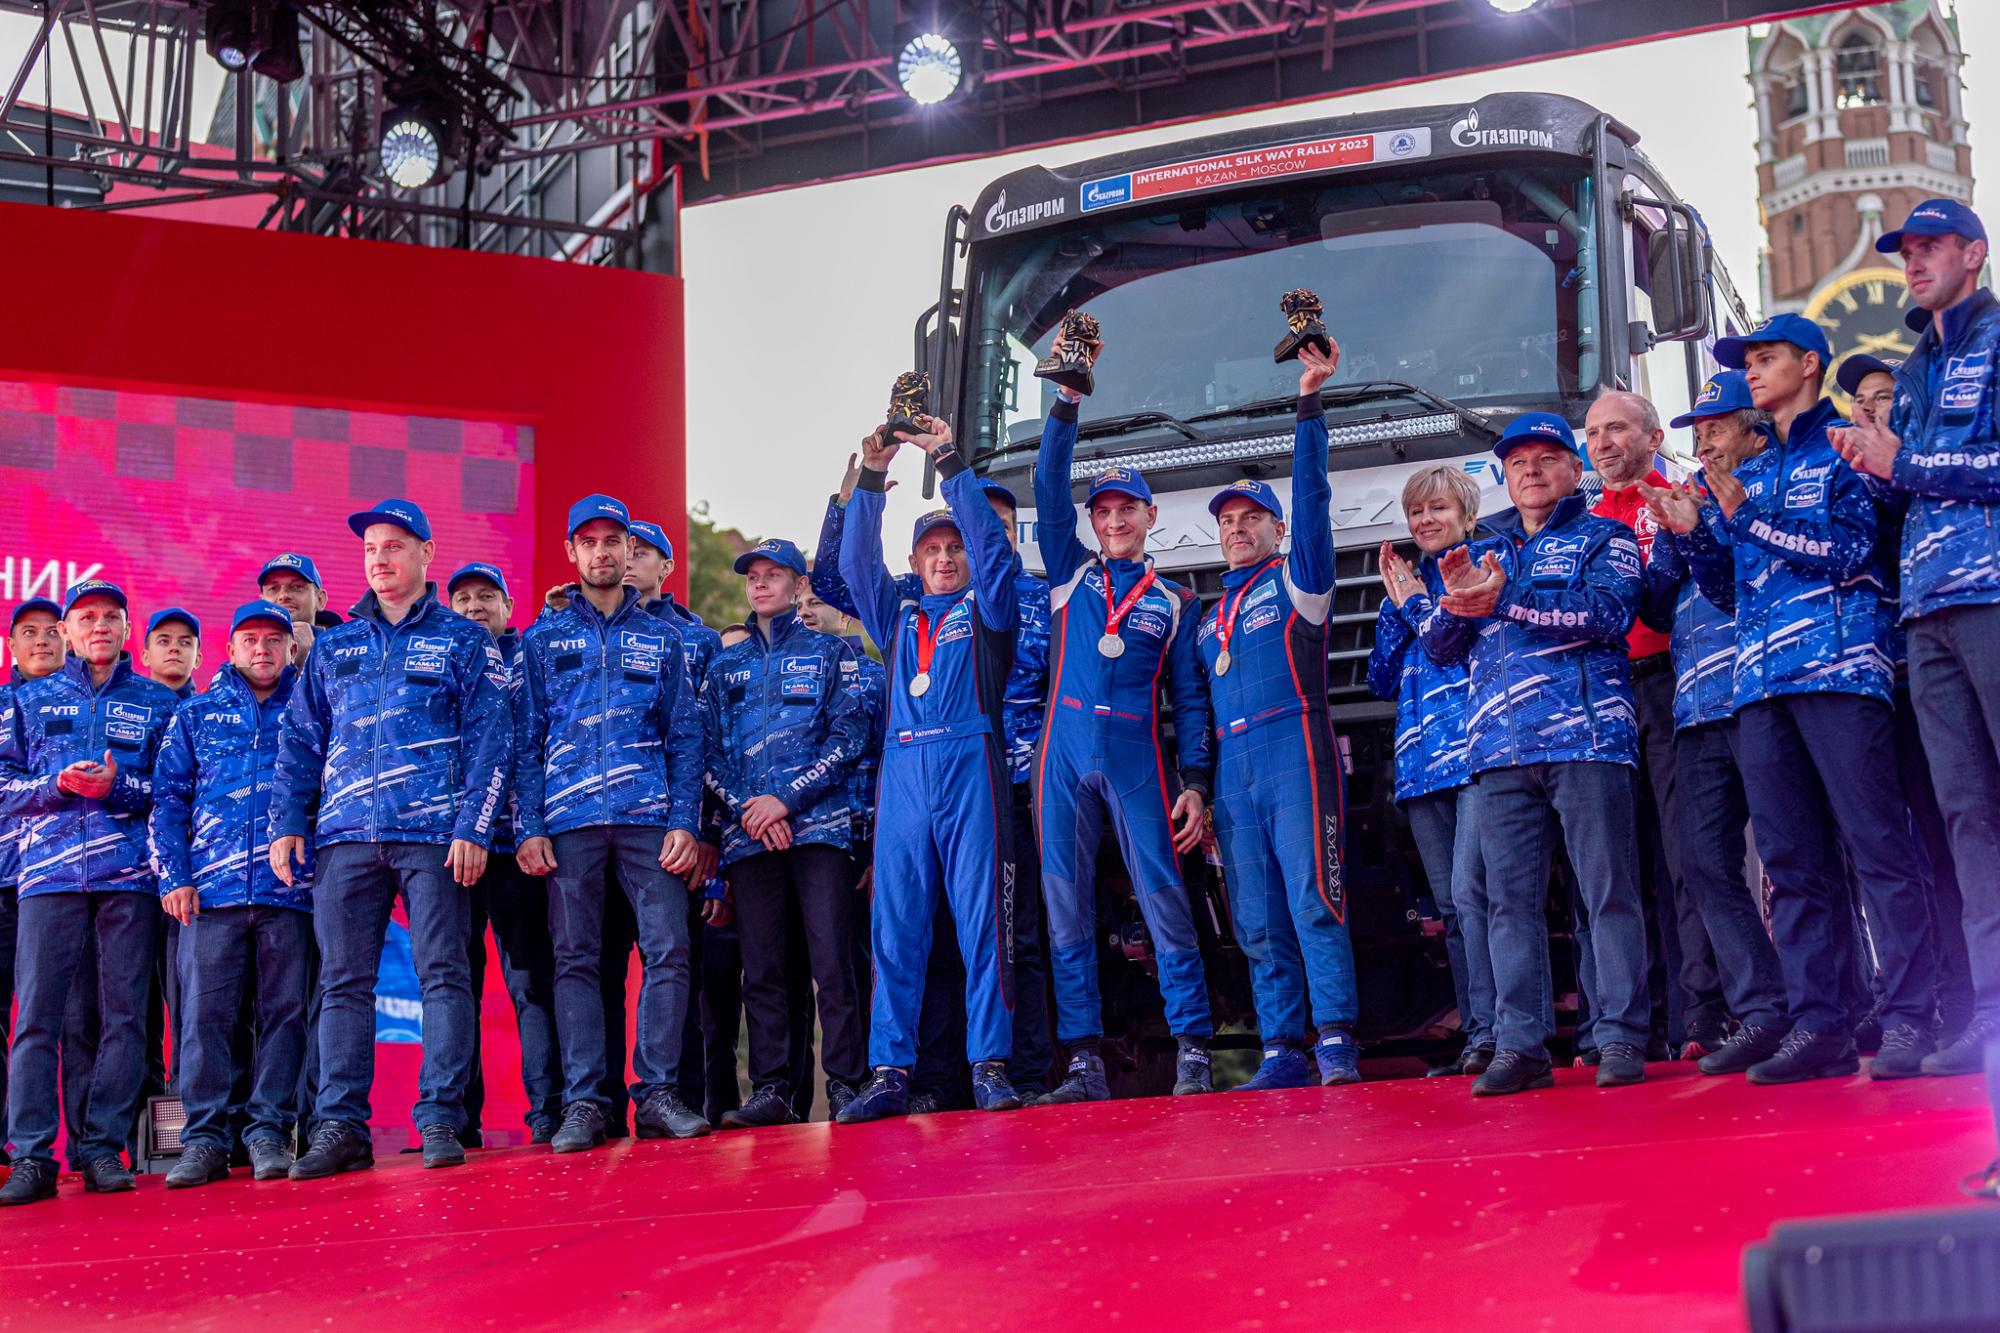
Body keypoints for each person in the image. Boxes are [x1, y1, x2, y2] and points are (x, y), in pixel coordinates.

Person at [1678, 314, 1936, 1083]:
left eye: (1767, 358)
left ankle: (1912, 1014)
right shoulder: (1750, 474)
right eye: (1749, 360)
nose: (1754, 370)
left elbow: (1851, 552)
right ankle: (1821, 1023)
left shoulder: (1846, 448)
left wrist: (1747, 519)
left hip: (1840, 673)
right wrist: (1696, 533)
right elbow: (1729, 591)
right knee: (1791, 861)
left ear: (1810, 365)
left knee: (1878, 847)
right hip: (1757, 687)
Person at [270, 498, 512, 1177]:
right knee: (343, 984)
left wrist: (474, 825)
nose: (379, 558)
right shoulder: (336, 644)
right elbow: (300, 740)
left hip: (433, 835)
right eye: (371, 548)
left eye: (394, 546)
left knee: (444, 975)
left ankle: (441, 1118)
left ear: (426, 554)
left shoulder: (465, 640)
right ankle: (339, 1126)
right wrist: (289, 822)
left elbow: (492, 740)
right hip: (345, 837)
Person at [815, 457, 1056, 1105]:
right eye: (932, 550)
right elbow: (855, 565)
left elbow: (995, 554)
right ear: (915, 562)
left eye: (955, 548)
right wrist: (870, 479)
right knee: (894, 929)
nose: (945, 558)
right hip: (904, 774)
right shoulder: (895, 618)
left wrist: (951, 467)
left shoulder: (991, 611)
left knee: (985, 927)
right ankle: (890, 1072)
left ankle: (990, 1066)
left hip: (971, 766)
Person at [1428, 414, 1650, 1096]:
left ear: (1573, 469)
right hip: (1498, 752)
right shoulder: (1482, 548)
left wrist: (1506, 599)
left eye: (1546, 458)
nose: (1530, 470)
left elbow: (1608, 615)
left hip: (1588, 740)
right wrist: (1455, 603)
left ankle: (1620, 1035)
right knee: (1506, 905)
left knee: (1607, 894)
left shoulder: (1605, 536)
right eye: (1517, 461)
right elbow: (1439, 650)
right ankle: (1521, 1045)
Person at [1831, 198, 2000, 1076]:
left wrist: (1909, 462)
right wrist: (1872, 467)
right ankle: (1991, 1016)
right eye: (1907, 251)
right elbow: (1911, 489)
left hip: (1993, 596)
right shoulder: (1917, 366)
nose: (1915, 261)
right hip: (1925, 614)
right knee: (1967, 819)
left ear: (1975, 253)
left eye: (1931, 246)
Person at [1033, 340, 1215, 1102]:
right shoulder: (1069, 574)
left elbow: (1191, 700)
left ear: (1150, 516)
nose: (1113, 521)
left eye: (1125, 510)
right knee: (1065, 903)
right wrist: (1067, 401)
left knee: (1165, 896)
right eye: (1102, 512)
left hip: (1139, 760)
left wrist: (1196, 782)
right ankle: (1083, 1060)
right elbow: (1047, 486)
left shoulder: (1175, 604)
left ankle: (1195, 1046)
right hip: (1062, 759)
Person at [514, 496, 709, 1151]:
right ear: (572, 552)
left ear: (630, 551)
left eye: (612, 541)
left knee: (669, 950)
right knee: (574, 960)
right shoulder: (542, 639)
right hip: (568, 822)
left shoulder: (663, 638)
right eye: (589, 542)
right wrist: (528, 825)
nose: (601, 552)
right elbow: (525, 741)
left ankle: (657, 1095)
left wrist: (685, 819)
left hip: (648, 820)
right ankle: (585, 1103)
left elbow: (686, 734)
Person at [1199, 343, 1360, 1089]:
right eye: (1228, 521)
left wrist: (1309, 406)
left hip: (1296, 750)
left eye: (1252, 518)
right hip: (1233, 771)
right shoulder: (1207, 618)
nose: (1238, 529)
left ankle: (1336, 1042)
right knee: (1256, 917)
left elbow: (1314, 498)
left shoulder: (1299, 582)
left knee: (1314, 899)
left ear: (1276, 529)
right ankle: (1281, 1049)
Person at [0, 580, 178, 1205]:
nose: (98, 625)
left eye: (109, 616)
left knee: (125, 1019)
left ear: (126, 629)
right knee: (37, 1021)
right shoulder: (26, 700)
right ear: (67, 633)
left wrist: (117, 787)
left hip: (129, 882)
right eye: (86, 617)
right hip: (47, 880)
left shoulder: (160, 703)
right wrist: (55, 786)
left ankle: (101, 1148)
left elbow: (175, 791)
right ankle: (31, 1155)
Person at [1637, 372, 1792, 1075]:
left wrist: (1700, 529)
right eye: (1697, 431)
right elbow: (1655, 604)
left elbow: (1745, 578)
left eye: (1717, 427)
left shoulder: (1773, 481)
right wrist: (1669, 534)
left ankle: (1837, 1003)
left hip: (1765, 694)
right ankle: (1761, 1009)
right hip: (1694, 705)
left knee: (1796, 855)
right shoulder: (1688, 495)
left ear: (1754, 431)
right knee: (1701, 861)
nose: (1703, 442)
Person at [703, 538, 870, 1126]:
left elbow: (850, 738)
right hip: (749, 839)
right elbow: (706, 753)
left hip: (820, 833)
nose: (760, 584)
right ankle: (771, 1089)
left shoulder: (831, 652)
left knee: (833, 965)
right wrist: (751, 809)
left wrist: (785, 802)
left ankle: (847, 1085)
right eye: (753, 576)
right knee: (764, 969)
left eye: (773, 575)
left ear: (800, 585)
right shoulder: (723, 666)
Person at [1836, 352, 1974, 1051]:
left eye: (1883, 395)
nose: (1868, 408)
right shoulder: (1850, 476)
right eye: (1859, 398)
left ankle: (1961, 995)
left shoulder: (1922, 475)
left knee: (1951, 838)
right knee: (1888, 849)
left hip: (1929, 672)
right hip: (1871, 682)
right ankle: (1911, 995)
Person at [150, 602, 313, 1187]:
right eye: (250, 639)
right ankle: (204, 1141)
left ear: (292, 649)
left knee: (285, 1017)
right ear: (230, 649)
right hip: (210, 895)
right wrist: (174, 876)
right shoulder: (195, 713)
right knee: (203, 1020)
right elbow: (167, 800)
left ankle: (269, 1133)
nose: (262, 649)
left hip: (291, 891)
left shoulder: (312, 709)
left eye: (273, 639)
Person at [1585, 392, 1726, 1059]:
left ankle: (1701, 1015)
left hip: (1673, 683)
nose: (1603, 442)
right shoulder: (1583, 518)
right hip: (1602, 696)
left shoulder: (1686, 495)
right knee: (1620, 864)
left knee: (1685, 854)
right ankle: (1634, 1025)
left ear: (1654, 436)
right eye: (1594, 432)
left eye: (1616, 428)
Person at [1368, 468, 1501, 1079]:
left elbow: (1452, 644)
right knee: (1449, 907)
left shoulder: (1482, 571)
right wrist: (1398, 610)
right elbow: (1381, 679)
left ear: (1467, 517)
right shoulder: (1404, 590)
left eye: (1438, 509)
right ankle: (1477, 1035)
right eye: (1417, 512)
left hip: (1475, 759)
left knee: (1479, 896)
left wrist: (1415, 605)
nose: (1425, 521)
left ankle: (1507, 1030)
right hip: (1421, 768)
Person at [447, 561, 563, 1146]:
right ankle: (455, 1119)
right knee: (453, 984)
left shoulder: (532, 658)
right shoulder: (442, 660)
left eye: (486, 597)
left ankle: (548, 1113)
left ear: (508, 607)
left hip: (518, 848)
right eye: (463, 598)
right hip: (453, 849)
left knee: (531, 984)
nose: (474, 607)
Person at [0, 599, 69, 1162]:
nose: (41, 640)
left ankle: (96, 1148)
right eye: (29, 632)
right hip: (6, 881)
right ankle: (10, 1150)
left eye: (51, 631)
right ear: (11, 646)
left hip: (67, 883)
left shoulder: (91, 703)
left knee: (79, 1018)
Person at [258, 553, 338, 664]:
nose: (283, 596)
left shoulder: (345, 650)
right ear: (261, 603)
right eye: (273, 588)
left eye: (297, 587)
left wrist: (312, 658)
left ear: (320, 599)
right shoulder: (241, 656)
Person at [141, 608, 202, 700]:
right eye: (163, 641)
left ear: (197, 659)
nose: (174, 648)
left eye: (185, 642)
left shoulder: (207, 708)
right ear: (146, 656)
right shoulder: (128, 706)